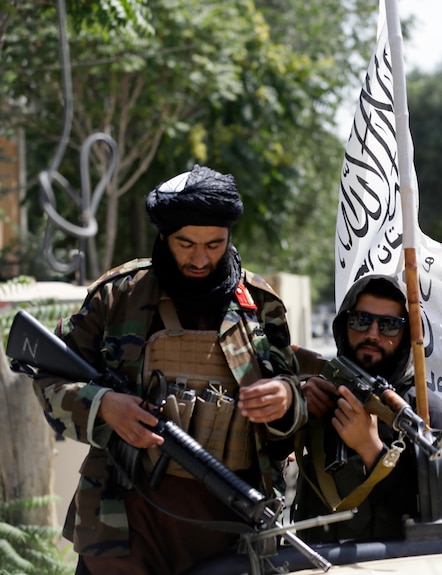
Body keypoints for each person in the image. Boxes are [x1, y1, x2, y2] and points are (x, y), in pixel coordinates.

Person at [32, 165, 306, 574]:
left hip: (231, 528)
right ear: (164, 236)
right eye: (185, 243)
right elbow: (49, 378)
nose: (200, 258)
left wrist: (285, 401)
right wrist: (103, 406)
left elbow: (295, 405)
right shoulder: (117, 296)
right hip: (124, 525)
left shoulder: (260, 306)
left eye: (215, 244)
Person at [293, 274, 442, 543]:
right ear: (344, 325)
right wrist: (295, 401)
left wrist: (372, 450)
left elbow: (430, 516)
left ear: (408, 336)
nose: (372, 334)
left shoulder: (424, 411)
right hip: (317, 560)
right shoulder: (321, 392)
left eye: (389, 325)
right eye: (361, 320)